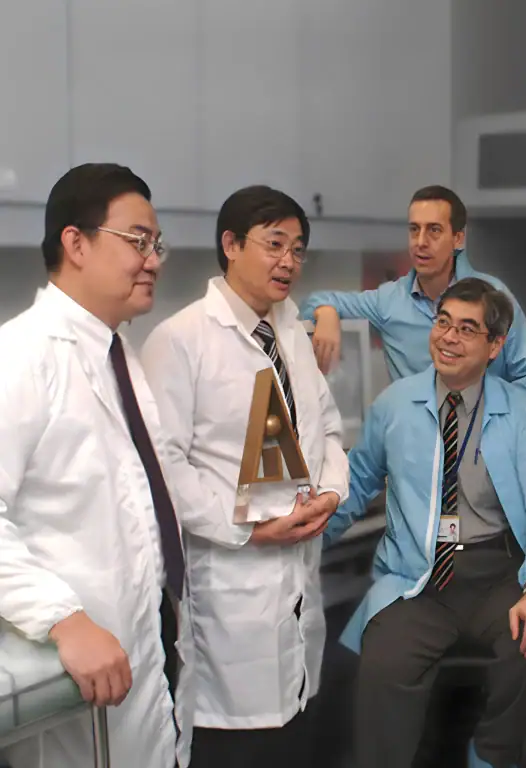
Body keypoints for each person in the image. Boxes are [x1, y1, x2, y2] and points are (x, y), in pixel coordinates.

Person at [140, 185, 349, 768]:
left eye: (298, 249)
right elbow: (164, 468)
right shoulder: (180, 341)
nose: (289, 261)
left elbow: (328, 430)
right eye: (274, 244)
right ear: (231, 245)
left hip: (298, 580)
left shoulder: (291, 332)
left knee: (294, 730)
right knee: (235, 744)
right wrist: (249, 531)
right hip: (228, 589)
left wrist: (331, 493)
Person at [324, 277, 526, 768]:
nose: (449, 337)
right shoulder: (395, 405)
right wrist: (309, 539)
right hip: (419, 576)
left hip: (495, 573)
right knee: (383, 664)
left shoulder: (516, 413)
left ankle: (492, 754)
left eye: (467, 329)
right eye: (443, 323)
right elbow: (357, 484)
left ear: (495, 346)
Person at [0, 163, 194, 767]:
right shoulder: (21, 356)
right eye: (138, 240)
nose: (153, 260)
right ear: (76, 244)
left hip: (141, 656)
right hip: (70, 679)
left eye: (157, 244)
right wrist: (63, 620)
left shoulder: (119, 355)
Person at [299, 185, 526, 408]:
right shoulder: (389, 301)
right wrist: (327, 313)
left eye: (434, 230)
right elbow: (313, 303)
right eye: (414, 230)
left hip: (484, 438)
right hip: (414, 439)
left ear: (458, 239)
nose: (421, 242)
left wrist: (501, 430)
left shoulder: (494, 296)